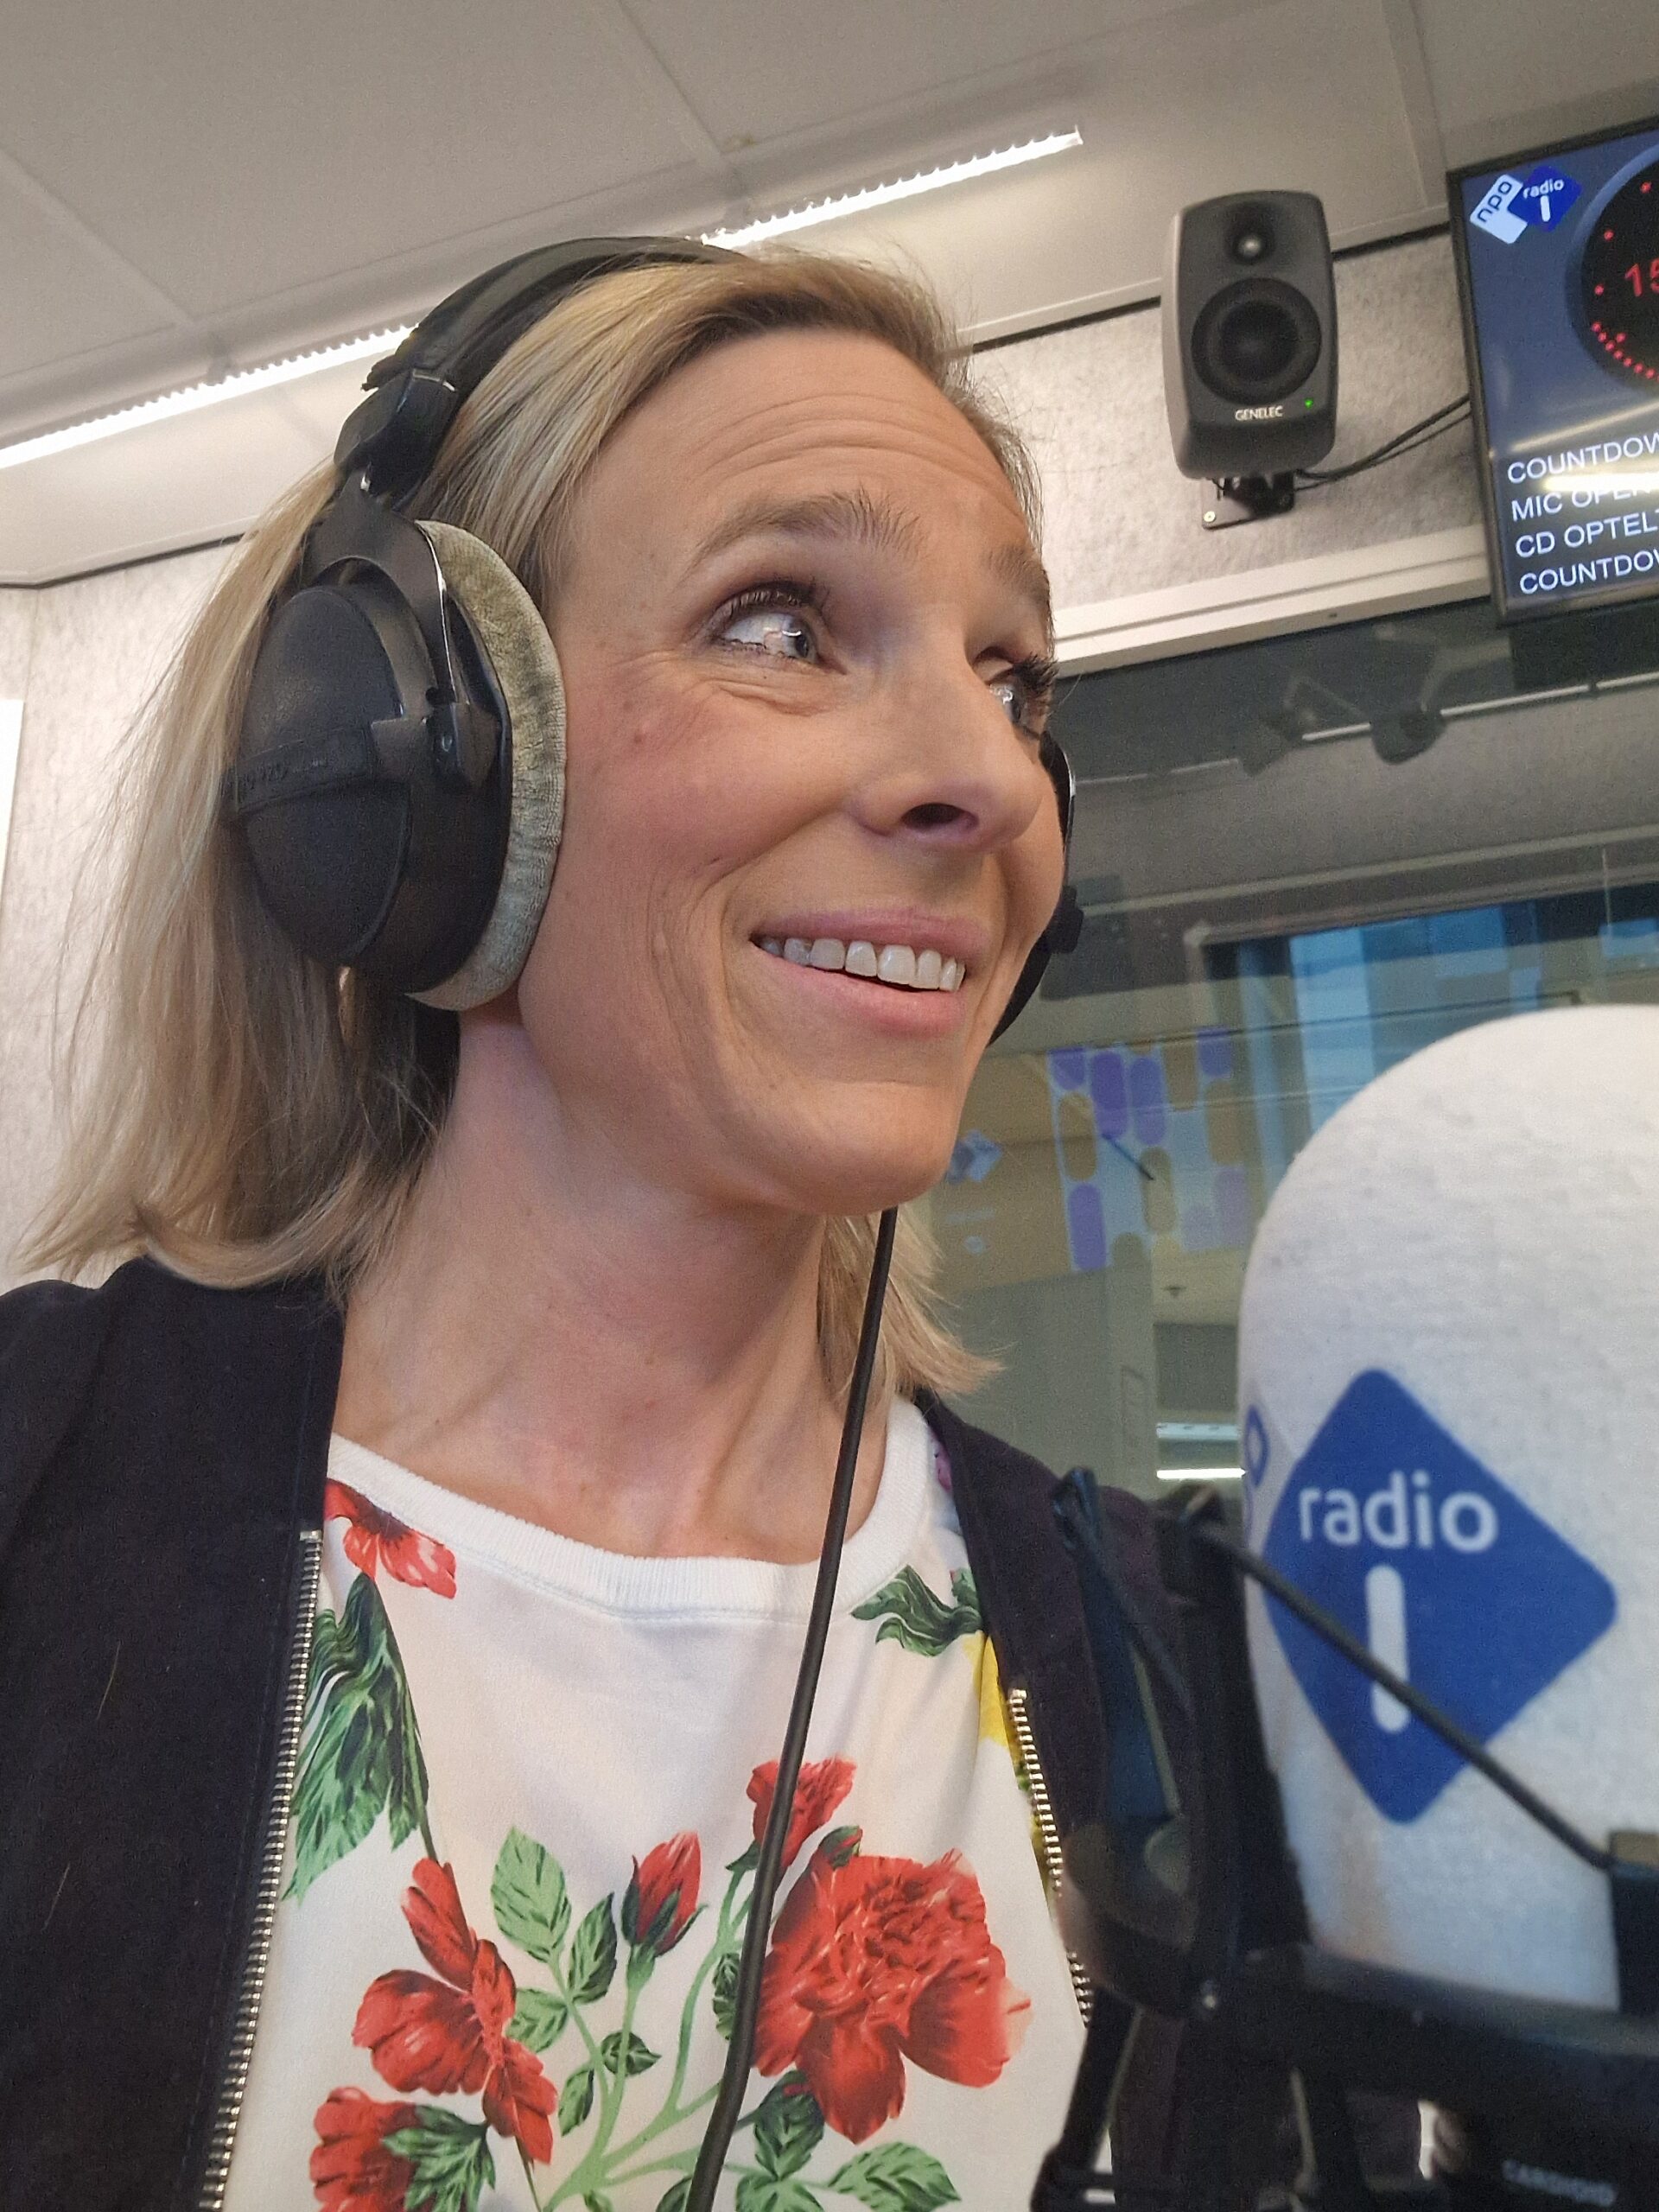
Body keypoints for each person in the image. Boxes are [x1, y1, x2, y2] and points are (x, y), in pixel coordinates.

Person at [0, 240, 1116, 2212]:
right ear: (421, 764)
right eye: (781, 622)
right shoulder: (34, 1487)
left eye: (1010, 677)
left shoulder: (1142, 1658)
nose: (987, 780)